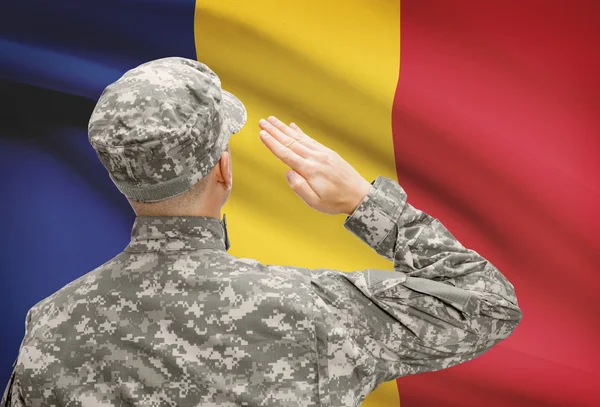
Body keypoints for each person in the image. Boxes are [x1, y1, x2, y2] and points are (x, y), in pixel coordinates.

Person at [1, 57, 522, 407]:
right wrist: (365, 203)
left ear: (120, 176)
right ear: (223, 169)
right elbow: (489, 304)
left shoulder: (50, 326)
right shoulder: (316, 311)